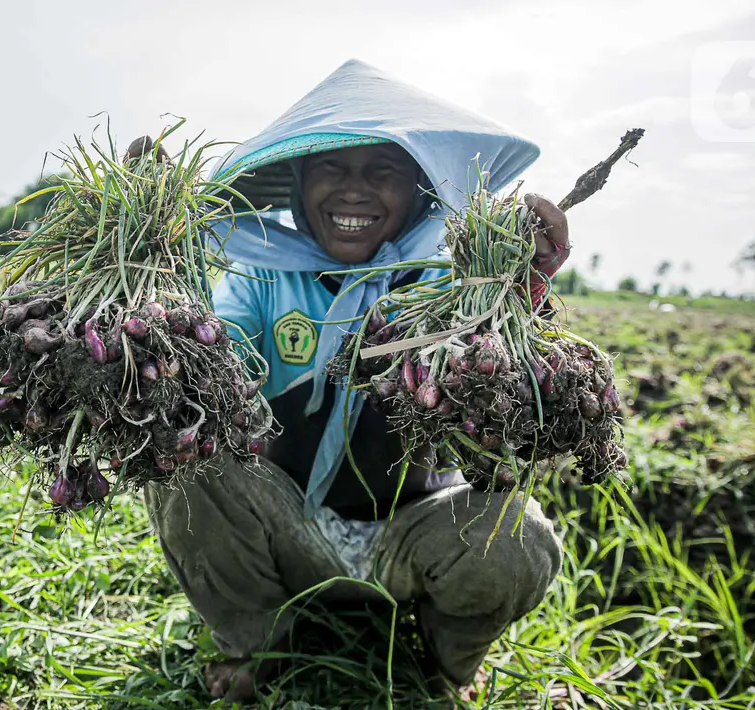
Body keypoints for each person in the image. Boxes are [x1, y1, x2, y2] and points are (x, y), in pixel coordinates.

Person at [141, 60, 572, 704]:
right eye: (332, 169)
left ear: (420, 189)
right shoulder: (263, 278)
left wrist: (522, 281)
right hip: (287, 526)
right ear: (296, 182)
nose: (354, 190)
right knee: (186, 467)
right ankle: (256, 643)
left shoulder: (452, 278)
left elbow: (503, 370)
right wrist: (157, 265)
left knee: (519, 537)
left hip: (416, 532)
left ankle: (446, 660)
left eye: (383, 172)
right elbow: (206, 365)